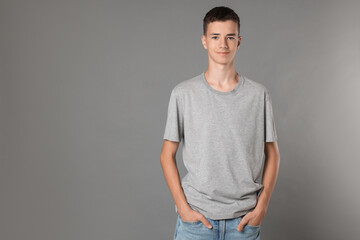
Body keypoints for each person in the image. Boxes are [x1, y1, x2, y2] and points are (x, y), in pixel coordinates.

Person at [160, 6, 280, 240]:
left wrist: (262, 207)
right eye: (215, 37)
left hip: (243, 223)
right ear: (204, 41)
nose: (222, 44)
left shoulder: (258, 95)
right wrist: (183, 207)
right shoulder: (183, 93)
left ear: (239, 41)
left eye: (229, 37)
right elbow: (166, 154)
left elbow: (273, 154)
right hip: (196, 221)